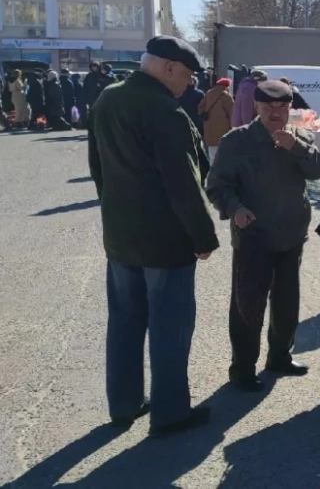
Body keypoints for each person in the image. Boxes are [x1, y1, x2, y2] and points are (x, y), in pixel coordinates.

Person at [87, 36, 218, 437]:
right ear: (168, 68)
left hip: (121, 236)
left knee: (125, 321)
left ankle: (124, 404)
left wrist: (114, 209)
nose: (189, 84)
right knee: (170, 327)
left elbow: (98, 167)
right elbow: (183, 184)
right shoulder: (165, 111)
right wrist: (204, 236)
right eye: (187, 75)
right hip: (164, 242)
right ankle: (171, 412)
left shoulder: (108, 98)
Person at [207, 80, 320, 392]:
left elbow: (319, 170)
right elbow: (218, 185)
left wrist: (297, 147)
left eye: (282, 107)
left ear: (290, 108)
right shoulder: (237, 141)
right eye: (269, 107)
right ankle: (243, 367)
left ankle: (280, 356)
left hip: (290, 236)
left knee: (287, 303)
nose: (276, 113)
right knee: (248, 304)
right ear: (256, 107)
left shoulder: (298, 136)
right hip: (253, 237)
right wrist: (234, 209)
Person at [198, 78, 235, 162]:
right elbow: (232, 113)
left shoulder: (209, 93)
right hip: (223, 132)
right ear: (226, 86)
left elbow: (200, 108)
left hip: (209, 131)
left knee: (212, 157)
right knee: (224, 158)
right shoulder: (225, 95)